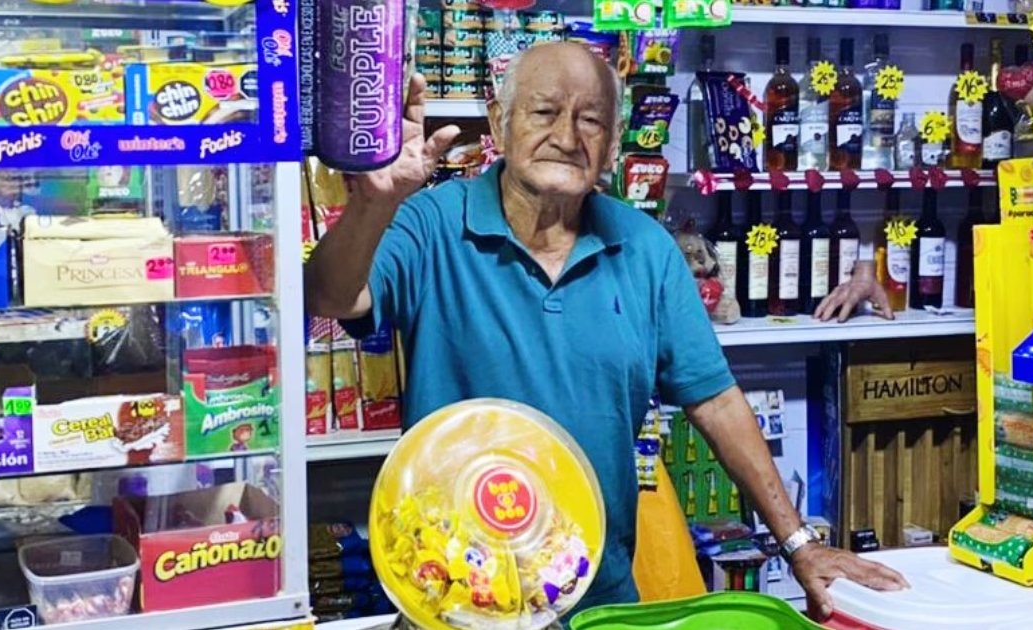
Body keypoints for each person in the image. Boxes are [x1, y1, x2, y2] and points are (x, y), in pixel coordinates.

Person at [306, 42, 907, 620]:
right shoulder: (433, 221)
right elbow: (332, 295)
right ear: (499, 119)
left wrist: (800, 544)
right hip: (453, 592)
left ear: (614, 142)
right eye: (543, 112)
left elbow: (716, 400)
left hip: (596, 596)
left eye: (590, 120)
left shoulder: (644, 247)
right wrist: (372, 202)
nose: (566, 137)